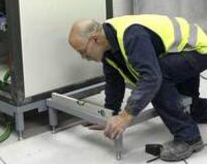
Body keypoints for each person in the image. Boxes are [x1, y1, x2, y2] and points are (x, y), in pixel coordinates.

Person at [68, 14, 207, 162]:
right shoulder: (107, 45)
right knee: (191, 107)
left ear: (95, 39)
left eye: (82, 51)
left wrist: (125, 116)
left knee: (155, 77)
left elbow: (151, 78)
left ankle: (189, 137)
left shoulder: (131, 36)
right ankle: (198, 110)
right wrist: (109, 113)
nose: (83, 57)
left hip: (197, 49)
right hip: (178, 52)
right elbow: (114, 82)